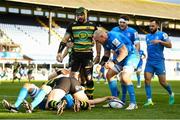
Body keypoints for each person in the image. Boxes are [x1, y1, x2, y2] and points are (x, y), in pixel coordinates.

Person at [56, 7, 101, 99]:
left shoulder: (93, 25)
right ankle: (75, 97)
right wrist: (59, 52)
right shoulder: (72, 25)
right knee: (73, 77)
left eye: (81, 15)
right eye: (78, 15)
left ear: (86, 14)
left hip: (87, 54)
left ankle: (90, 97)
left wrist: (98, 55)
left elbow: (97, 41)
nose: (79, 17)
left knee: (88, 78)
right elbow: (65, 39)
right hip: (75, 55)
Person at [93, 30, 139, 110]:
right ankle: (115, 99)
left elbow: (124, 52)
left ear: (102, 37)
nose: (97, 42)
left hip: (131, 56)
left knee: (124, 77)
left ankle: (133, 103)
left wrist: (113, 62)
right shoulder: (104, 41)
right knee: (109, 75)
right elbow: (107, 54)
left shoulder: (114, 38)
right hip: (121, 57)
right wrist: (100, 65)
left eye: (97, 40)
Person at [2, 69, 70, 113]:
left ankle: (31, 106)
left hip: (50, 98)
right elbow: (49, 77)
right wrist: (60, 72)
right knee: (27, 85)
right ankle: (15, 107)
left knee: (46, 87)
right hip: (42, 92)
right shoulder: (64, 74)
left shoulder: (69, 80)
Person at [143, 19, 175, 106]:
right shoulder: (147, 36)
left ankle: (171, 93)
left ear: (157, 26)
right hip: (149, 62)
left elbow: (170, 45)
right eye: (150, 26)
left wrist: (160, 41)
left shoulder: (162, 34)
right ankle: (149, 100)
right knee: (147, 80)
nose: (151, 27)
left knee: (162, 82)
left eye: (153, 26)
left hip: (159, 62)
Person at [111, 15, 140, 100]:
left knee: (124, 77)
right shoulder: (114, 30)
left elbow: (137, 44)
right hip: (118, 57)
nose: (122, 24)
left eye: (123, 22)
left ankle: (125, 99)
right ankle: (116, 96)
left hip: (129, 56)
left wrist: (136, 56)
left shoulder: (133, 31)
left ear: (127, 23)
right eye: (120, 22)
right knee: (116, 77)